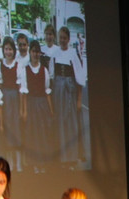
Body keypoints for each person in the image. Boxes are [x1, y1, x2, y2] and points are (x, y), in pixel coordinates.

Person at [50, 26, 86, 168]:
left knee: (71, 123)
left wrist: (79, 100)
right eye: (61, 38)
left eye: (65, 38)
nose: (63, 40)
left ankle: (72, 156)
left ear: (68, 39)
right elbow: (52, 75)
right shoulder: (55, 54)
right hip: (58, 92)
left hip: (70, 92)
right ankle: (62, 156)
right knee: (60, 123)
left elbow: (80, 78)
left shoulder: (72, 54)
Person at [20, 39, 55, 174]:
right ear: (30, 52)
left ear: (40, 53)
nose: (35, 54)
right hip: (31, 104)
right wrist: (24, 111)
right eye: (33, 51)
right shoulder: (25, 70)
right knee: (33, 134)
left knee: (43, 134)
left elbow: (47, 91)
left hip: (42, 105)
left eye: (37, 52)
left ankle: (43, 163)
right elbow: (24, 92)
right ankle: (34, 163)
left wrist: (50, 109)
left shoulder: (44, 70)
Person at [0, 36, 23, 171]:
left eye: (10, 49)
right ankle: (9, 162)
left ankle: (18, 162)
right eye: (6, 49)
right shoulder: (0, 65)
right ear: (3, 50)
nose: (8, 52)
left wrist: (21, 107)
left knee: (16, 128)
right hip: (5, 99)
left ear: (14, 51)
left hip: (15, 99)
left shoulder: (18, 65)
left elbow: (20, 87)